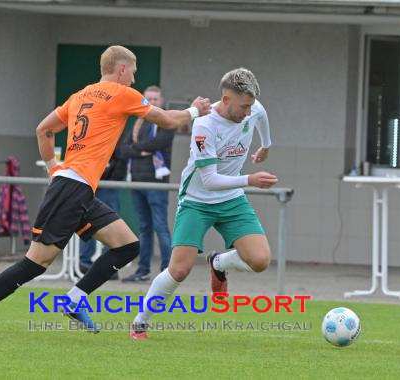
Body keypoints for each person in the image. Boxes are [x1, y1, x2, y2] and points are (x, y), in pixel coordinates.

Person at [0, 45, 211, 337]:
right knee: (36, 262)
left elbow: (44, 130)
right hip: (71, 188)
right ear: (122, 69)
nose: (133, 81)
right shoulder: (122, 93)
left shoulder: (80, 95)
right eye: (133, 73)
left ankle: (74, 299)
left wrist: (54, 167)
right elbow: (168, 120)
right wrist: (195, 110)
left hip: (77, 187)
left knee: (128, 245)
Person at [130, 68, 278, 340]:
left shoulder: (252, 107)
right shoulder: (204, 125)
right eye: (243, 106)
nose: (248, 112)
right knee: (179, 270)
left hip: (231, 199)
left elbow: (261, 115)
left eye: (250, 106)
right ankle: (140, 321)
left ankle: (219, 263)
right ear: (225, 98)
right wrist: (249, 179)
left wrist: (266, 145)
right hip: (197, 201)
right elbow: (209, 180)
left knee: (259, 260)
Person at [121, 86, 174, 282]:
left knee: (160, 227)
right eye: (148, 99)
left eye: (155, 99)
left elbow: (157, 144)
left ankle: (167, 272)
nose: (151, 102)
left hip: (157, 184)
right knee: (144, 228)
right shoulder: (138, 123)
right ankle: (143, 271)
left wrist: (137, 149)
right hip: (137, 182)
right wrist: (141, 150)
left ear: (161, 101)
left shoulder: (167, 122)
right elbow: (123, 150)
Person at [78, 137, 127, 280]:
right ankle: (84, 263)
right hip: (92, 181)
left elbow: (122, 155)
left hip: (108, 184)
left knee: (111, 226)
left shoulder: (115, 131)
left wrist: (111, 177)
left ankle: (109, 266)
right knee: (88, 222)